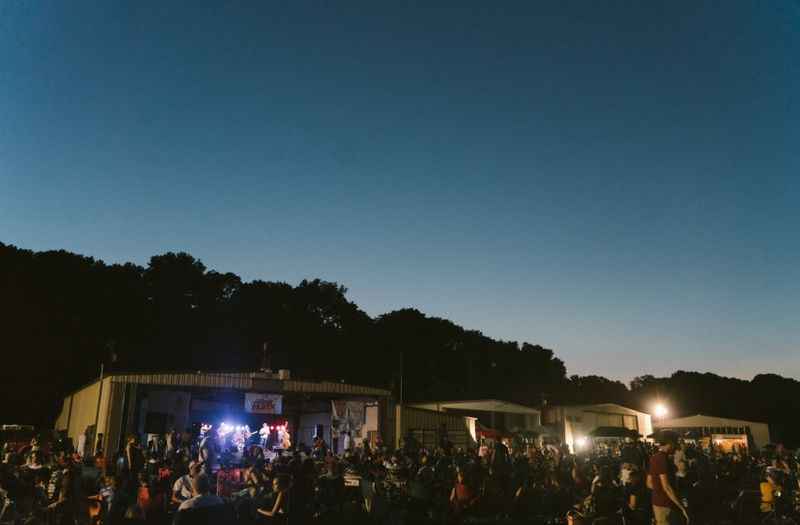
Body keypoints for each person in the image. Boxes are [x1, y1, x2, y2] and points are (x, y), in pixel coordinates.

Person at [647, 431, 689, 524]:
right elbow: (666, 487)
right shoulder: (662, 459)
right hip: (666, 504)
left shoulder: (654, 457)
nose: (677, 447)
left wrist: (658, 491)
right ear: (670, 443)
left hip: (657, 502)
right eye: (676, 443)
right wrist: (681, 507)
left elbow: (649, 483)